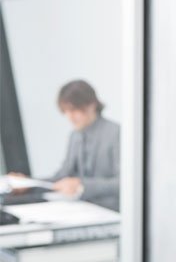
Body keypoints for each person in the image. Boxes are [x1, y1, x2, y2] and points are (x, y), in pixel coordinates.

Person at [10, 80, 120, 211]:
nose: (70, 117)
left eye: (74, 110)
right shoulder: (75, 136)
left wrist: (82, 185)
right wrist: (28, 183)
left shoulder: (116, 133)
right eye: (66, 111)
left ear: (91, 105)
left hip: (109, 211)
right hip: (80, 209)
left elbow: (123, 182)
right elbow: (61, 176)